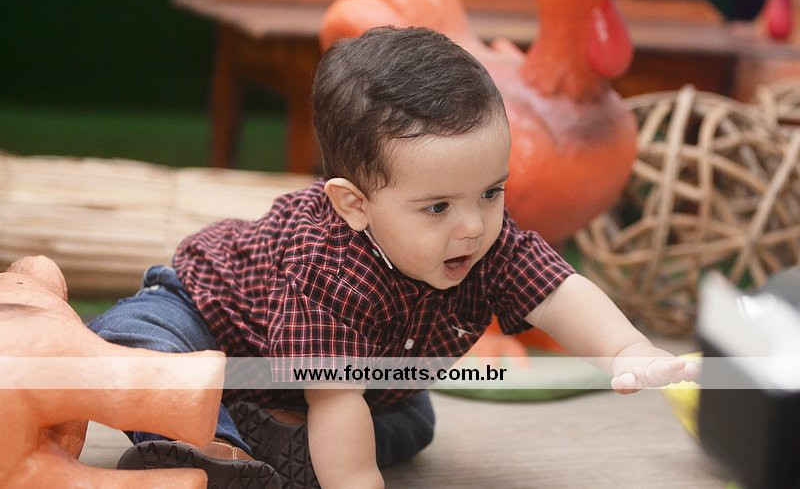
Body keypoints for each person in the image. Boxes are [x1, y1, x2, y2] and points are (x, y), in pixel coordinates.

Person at [90, 26, 696, 488]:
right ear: (355, 205)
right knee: (138, 343)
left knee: (413, 424)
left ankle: (261, 429)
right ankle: (214, 449)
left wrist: (627, 349)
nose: (473, 226)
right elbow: (336, 397)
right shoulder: (326, 266)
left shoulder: (486, 242)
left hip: (331, 383)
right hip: (209, 319)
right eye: (437, 207)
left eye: (492, 192)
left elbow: (560, 294)